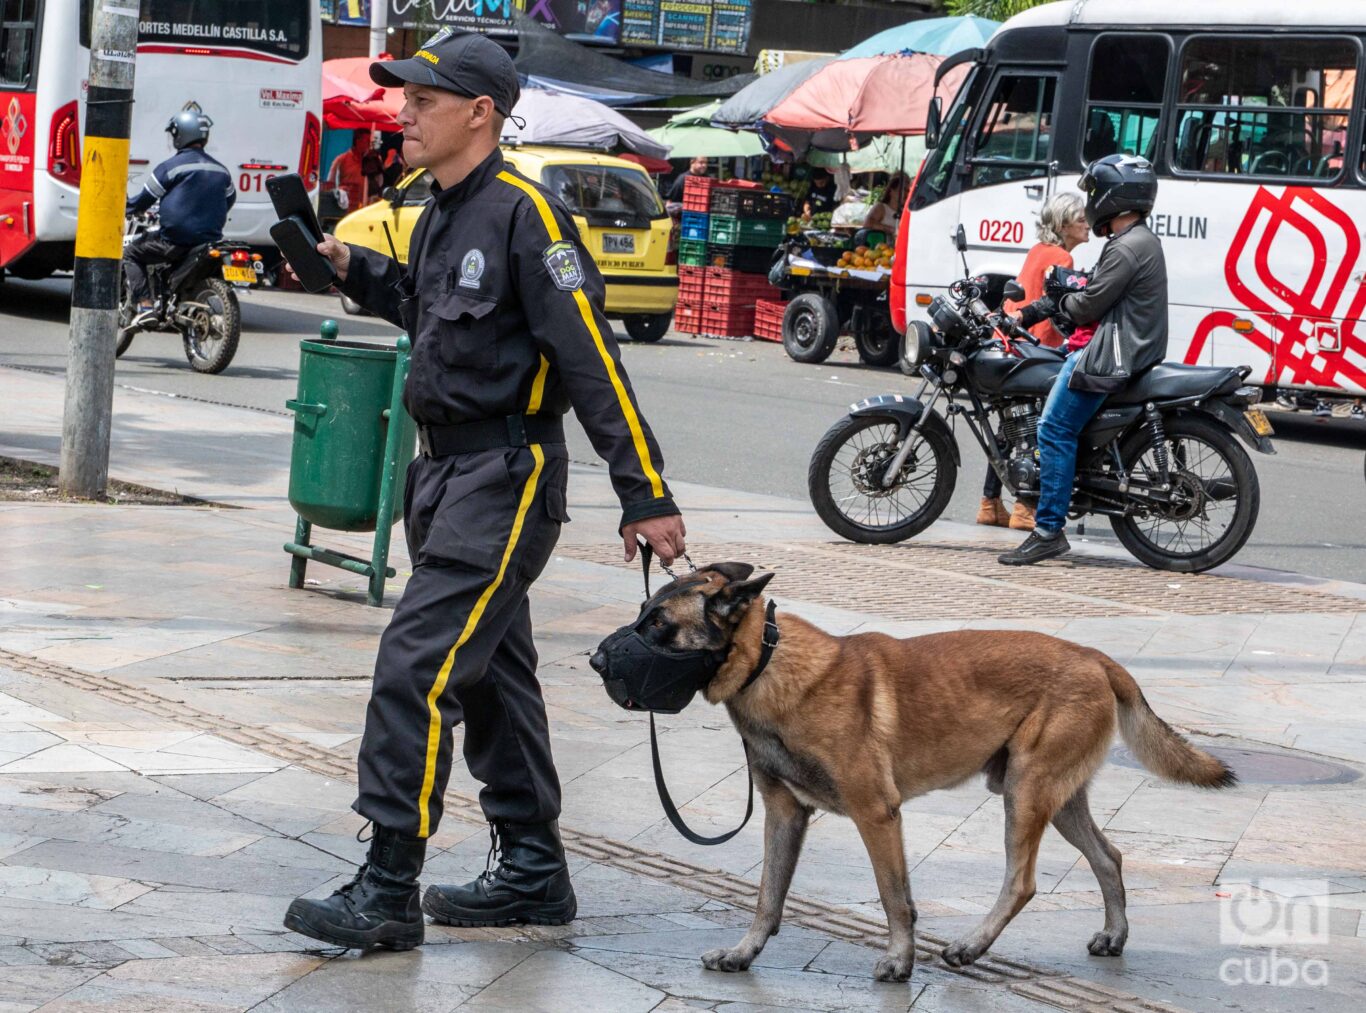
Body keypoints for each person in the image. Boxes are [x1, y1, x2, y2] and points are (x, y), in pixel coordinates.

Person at [280, 28, 687, 951]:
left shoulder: (526, 216)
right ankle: (534, 870)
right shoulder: (437, 212)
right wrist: (356, 271)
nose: (403, 114)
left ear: (480, 113)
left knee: (416, 667)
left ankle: (387, 885)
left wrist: (645, 490)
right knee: (494, 675)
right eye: (404, 99)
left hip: (506, 475)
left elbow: (593, 360)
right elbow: (433, 316)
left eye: (422, 101)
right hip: (442, 475)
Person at [999, 154, 1167, 566]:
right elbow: (1090, 289)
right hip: (1130, 350)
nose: (1090, 201)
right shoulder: (1136, 241)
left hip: (1111, 356)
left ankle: (1048, 529)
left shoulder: (1127, 248)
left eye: (1094, 193)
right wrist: (1035, 310)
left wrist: (1062, 303)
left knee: (1053, 429)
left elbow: (1088, 304)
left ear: (1113, 196)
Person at [980, 192, 1090, 531]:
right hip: (1038, 345)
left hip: (1010, 343)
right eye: (1081, 219)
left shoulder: (1037, 251)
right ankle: (1025, 508)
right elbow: (1056, 305)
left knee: (1008, 428)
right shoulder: (1060, 258)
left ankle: (989, 502)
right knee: (1037, 430)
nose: (1087, 224)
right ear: (1064, 225)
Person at [124, 109, 235, 318]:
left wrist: (128, 207)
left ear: (180, 135)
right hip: (209, 240)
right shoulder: (221, 169)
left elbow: (144, 199)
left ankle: (146, 305)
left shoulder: (170, 168)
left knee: (131, 253)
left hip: (174, 241)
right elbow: (229, 199)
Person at [327, 130, 372, 211]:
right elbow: (330, 183)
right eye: (367, 140)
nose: (369, 144)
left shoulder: (370, 161)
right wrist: (338, 190)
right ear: (358, 141)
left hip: (364, 208)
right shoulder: (341, 160)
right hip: (346, 205)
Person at [861, 172, 909, 237]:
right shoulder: (881, 208)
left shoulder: (906, 212)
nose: (906, 193)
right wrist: (891, 229)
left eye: (908, 191)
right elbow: (867, 223)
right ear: (891, 191)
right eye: (903, 190)